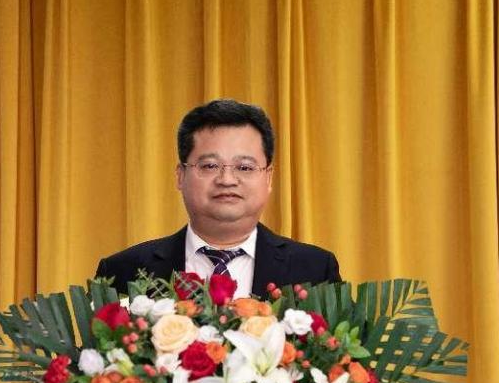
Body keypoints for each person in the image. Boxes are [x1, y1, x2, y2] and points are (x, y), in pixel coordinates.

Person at [96, 99, 341, 299]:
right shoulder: (123, 272)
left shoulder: (315, 271)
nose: (227, 180)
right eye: (210, 165)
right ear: (180, 176)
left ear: (268, 178)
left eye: (244, 167)